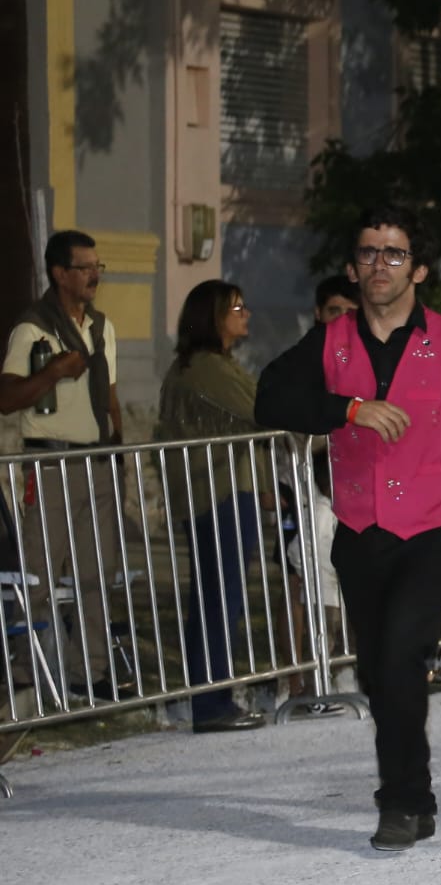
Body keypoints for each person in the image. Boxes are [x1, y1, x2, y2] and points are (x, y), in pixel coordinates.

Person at [255, 205, 441, 852]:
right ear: (352, 265)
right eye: (367, 253)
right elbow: (268, 398)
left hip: (432, 531)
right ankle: (416, 790)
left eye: (392, 253)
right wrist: (348, 409)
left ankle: (401, 799)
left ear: (418, 268)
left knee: (401, 656)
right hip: (359, 531)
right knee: (376, 672)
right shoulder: (329, 341)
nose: (377, 265)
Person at [0, 231, 124, 699]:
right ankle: (26, 671)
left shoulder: (101, 327)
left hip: (96, 461)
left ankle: (88, 672)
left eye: (98, 266)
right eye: (85, 267)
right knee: (41, 569)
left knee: (97, 570)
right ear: (59, 273)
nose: (95, 275)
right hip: (50, 461)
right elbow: (7, 398)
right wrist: (52, 372)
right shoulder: (32, 328)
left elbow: (110, 396)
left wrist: (119, 453)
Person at [154, 280, 271, 733]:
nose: (246, 313)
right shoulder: (206, 368)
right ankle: (211, 700)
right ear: (213, 317)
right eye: (236, 307)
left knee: (220, 596)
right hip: (216, 491)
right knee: (219, 597)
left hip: (223, 488)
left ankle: (216, 696)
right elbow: (262, 407)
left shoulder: (212, 365)